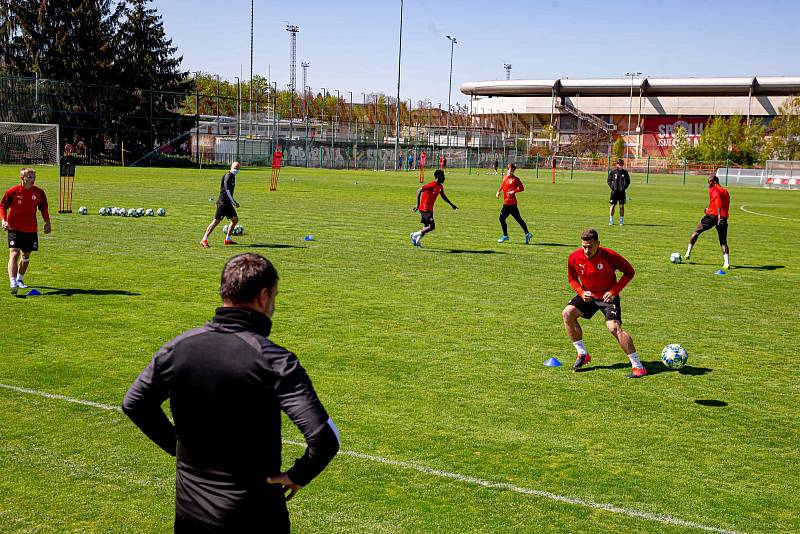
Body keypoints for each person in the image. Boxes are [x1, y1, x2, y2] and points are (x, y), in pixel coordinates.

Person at [123, 253, 340, 533]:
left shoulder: (177, 348)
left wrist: (178, 448)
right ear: (264, 297)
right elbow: (324, 438)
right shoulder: (275, 360)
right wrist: (298, 475)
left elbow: (135, 403)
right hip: (255, 515)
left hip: (190, 514)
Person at [562, 228, 646, 378]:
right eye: (584, 246)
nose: (587, 251)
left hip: (608, 297)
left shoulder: (609, 255)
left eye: (590, 247)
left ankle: (638, 366)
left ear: (598, 244)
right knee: (567, 313)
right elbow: (572, 278)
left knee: (614, 328)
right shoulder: (574, 257)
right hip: (588, 296)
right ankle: (582, 354)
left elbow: (629, 272)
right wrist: (582, 292)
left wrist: (614, 291)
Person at [1, 167, 51, 295]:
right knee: (14, 254)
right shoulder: (12, 191)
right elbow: (3, 206)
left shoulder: (39, 192)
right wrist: (3, 220)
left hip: (30, 229)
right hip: (14, 227)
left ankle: (20, 279)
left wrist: (47, 222)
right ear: (22, 178)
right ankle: (12, 282)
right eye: (29, 177)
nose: (32, 180)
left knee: (26, 256)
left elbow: (43, 208)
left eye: (34, 177)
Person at [685, 174, 731, 269]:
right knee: (723, 241)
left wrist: (717, 214)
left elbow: (718, 201)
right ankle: (726, 263)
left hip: (713, 217)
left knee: (697, 231)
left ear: (713, 182)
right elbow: (725, 205)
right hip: (723, 217)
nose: (708, 185)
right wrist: (711, 210)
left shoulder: (714, 189)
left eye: (709, 183)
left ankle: (687, 253)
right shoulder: (726, 191)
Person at [410, 169, 458, 247]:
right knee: (432, 226)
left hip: (429, 209)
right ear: (438, 177)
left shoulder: (440, 186)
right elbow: (419, 190)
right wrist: (417, 205)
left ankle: (417, 241)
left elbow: (443, 196)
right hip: (425, 208)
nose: (444, 178)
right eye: (443, 176)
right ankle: (414, 235)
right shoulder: (432, 185)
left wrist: (451, 204)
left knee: (426, 226)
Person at [201, 162, 241, 248]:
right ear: (231, 167)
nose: (237, 170)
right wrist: (234, 202)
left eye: (238, 168)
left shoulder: (232, 177)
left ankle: (228, 239)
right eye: (235, 167)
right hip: (223, 203)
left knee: (235, 220)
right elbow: (227, 191)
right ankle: (204, 239)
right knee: (216, 221)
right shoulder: (228, 176)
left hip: (227, 203)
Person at [496, 163, 533, 244]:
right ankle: (527, 234)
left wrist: (513, 191)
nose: (510, 171)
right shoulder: (505, 177)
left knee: (501, 218)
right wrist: (498, 191)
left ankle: (505, 236)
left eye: (511, 170)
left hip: (510, 203)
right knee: (518, 219)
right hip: (508, 203)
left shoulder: (516, 179)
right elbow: (503, 185)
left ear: (513, 171)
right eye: (509, 169)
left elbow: (522, 188)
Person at [607, 158, 630, 225]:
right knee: (613, 205)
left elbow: (628, 181)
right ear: (617, 164)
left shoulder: (625, 172)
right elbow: (609, 180)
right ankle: (611, 220)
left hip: (622, 192)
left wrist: (624, 188)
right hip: (614, 192)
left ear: (622, 165)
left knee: (622, 206)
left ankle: (621, 220)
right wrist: (612, 187)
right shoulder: (612, 172)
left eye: (621, 164)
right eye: (618, 164)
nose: (620, 165)